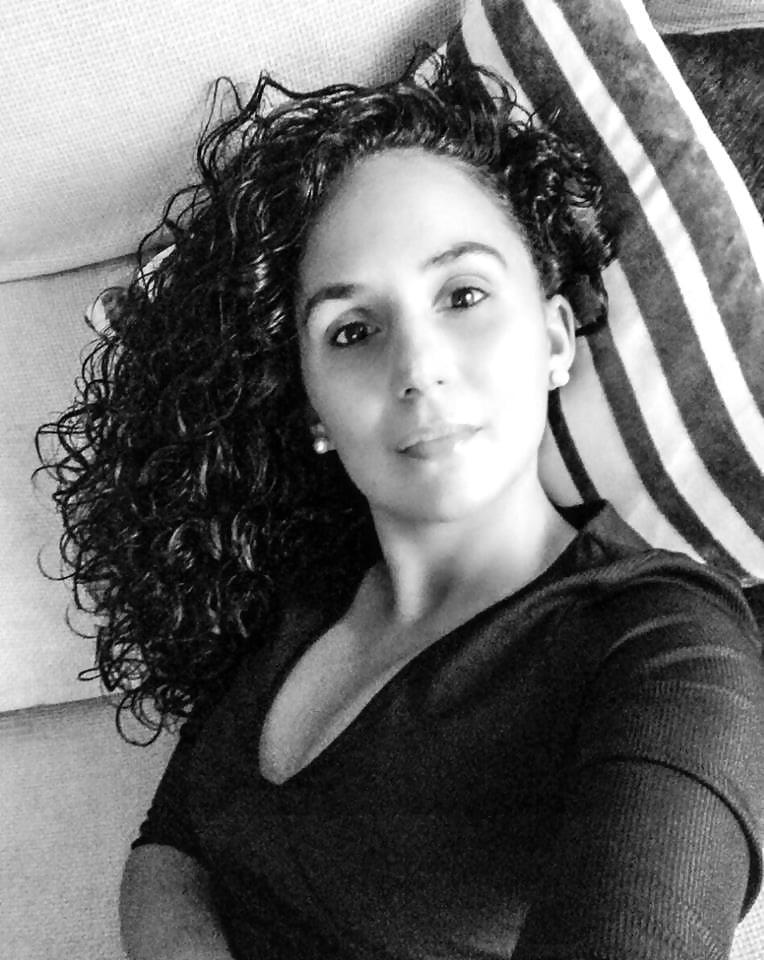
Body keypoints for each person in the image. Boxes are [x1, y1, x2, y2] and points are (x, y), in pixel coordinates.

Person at [36, 51, 764, 960]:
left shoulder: (668, 645)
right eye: (352, 331)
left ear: (553, 340)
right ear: (314, 410)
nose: (418, 367)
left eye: (463, 294)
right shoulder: (299, 590)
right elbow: (170, 849)